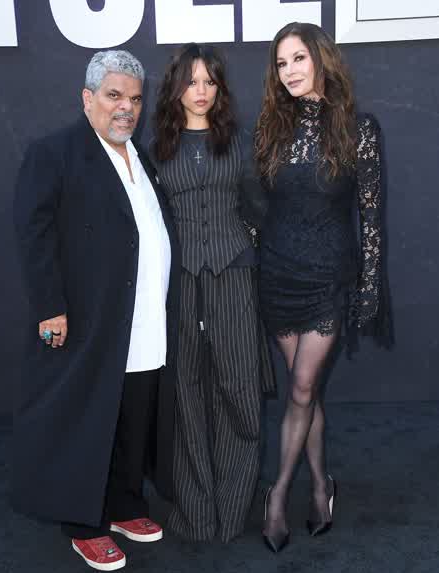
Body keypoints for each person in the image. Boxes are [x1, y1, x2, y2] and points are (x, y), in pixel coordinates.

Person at [13, 50, 181, 571]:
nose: (126, 107)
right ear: (88, 99)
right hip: (88, 320)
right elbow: (34, 234)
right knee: (87, 422)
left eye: (135, 98)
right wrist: (50, 308)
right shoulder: (55, 153)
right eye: (114, 96)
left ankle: (125, 505)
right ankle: (84, 525)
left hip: (144, 317)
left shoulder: (140, 156)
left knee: (133, 415)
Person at [255, 22, 391, 552]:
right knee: (303, 392)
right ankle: (320, 485)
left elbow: (371, 217)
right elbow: (256, 205)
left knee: (302, 389)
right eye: (281, 63)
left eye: (298, 58)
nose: (289, 71)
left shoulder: (359, 129)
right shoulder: (271, 128)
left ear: (320, 58)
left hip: (329, 275)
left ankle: (277, 495)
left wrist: (370, 285)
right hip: (279, 274)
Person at [152, 43, 274, 543]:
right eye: (191, 81)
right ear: (176, 87)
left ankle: (233, 509)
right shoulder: (155, 148)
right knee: (184, 395)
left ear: (220, 88)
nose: (200, 91)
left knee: (240, 391)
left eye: (209, 81)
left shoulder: (239, 143)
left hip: (235, 277)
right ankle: (197, 515)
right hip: (179, 284)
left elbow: (261, 210)